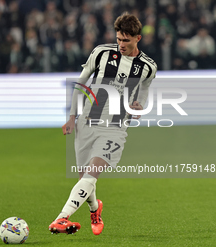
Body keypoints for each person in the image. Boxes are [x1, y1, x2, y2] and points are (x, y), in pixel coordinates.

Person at [48, 12, 157, 235]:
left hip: (116, 128)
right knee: (84, 179)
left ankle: (61, 218)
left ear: (138, 38)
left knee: (92, 173)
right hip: (87, 121)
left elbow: (144, 89)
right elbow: (81, 83)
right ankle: (95, 209)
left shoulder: (148, 66)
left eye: (126, 40)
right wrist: (71, 117)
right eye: (119, 39)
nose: (121, 44)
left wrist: (140, 106)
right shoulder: (101, 53)